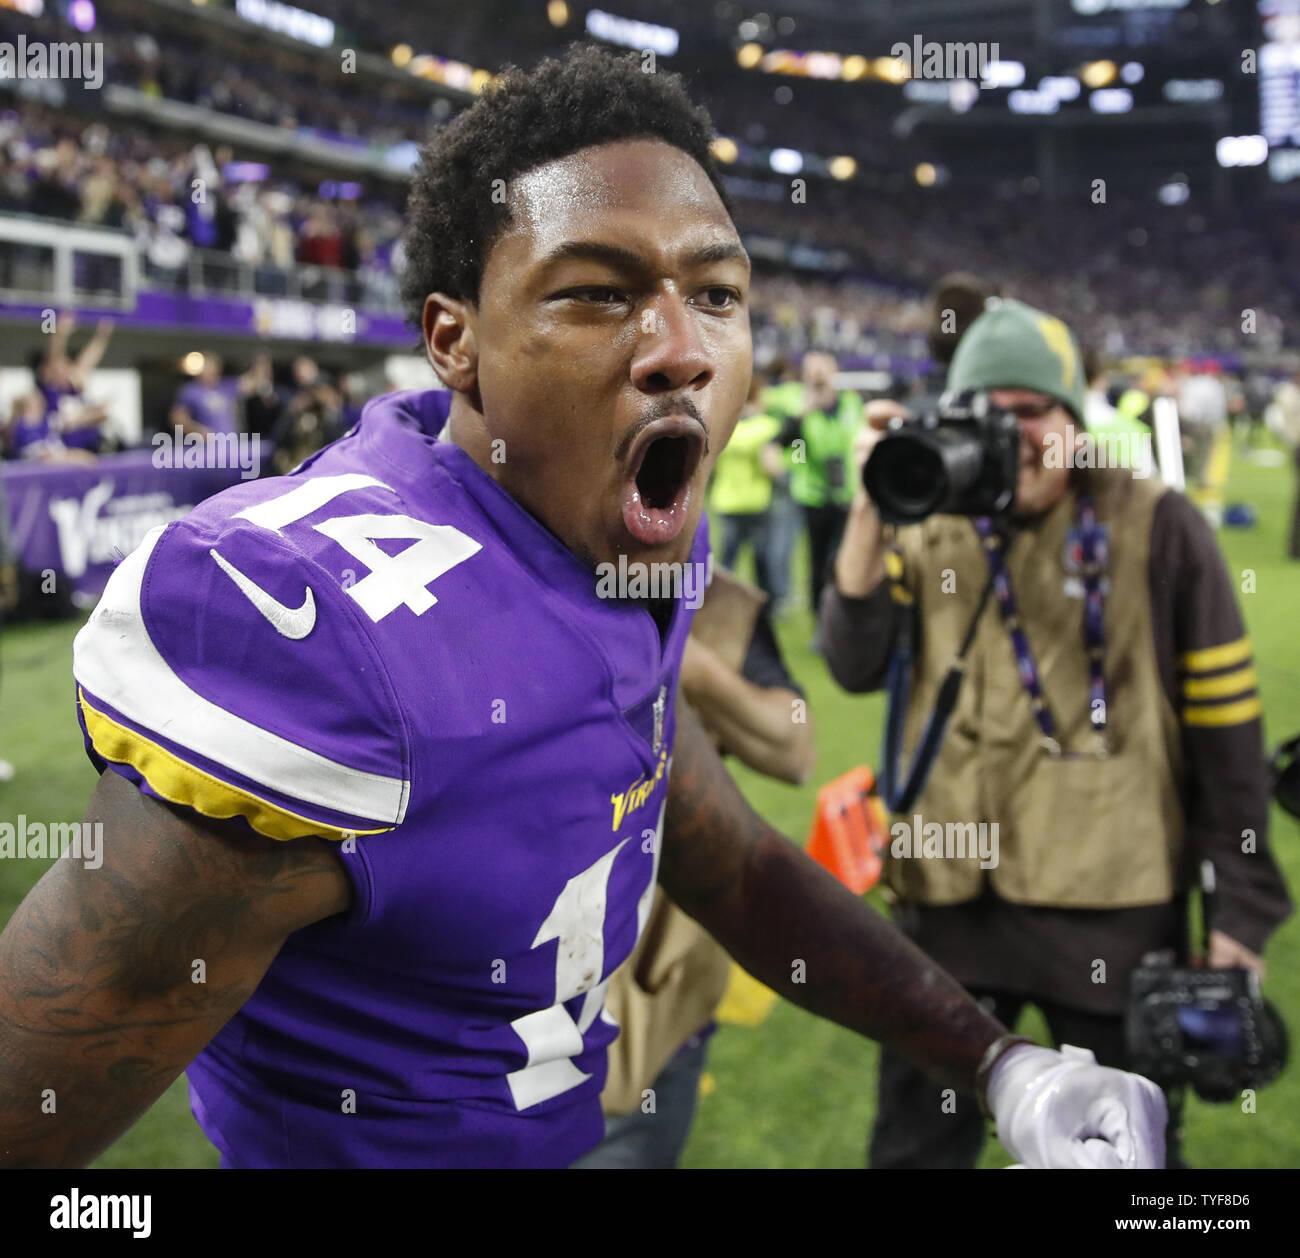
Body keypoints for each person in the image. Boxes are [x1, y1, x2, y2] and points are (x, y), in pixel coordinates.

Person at [0, 48, 1164, 1171]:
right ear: (454, 340)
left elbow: (730, 862)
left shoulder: (610, 531)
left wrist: (1007, 1066)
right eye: (599, 294)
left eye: (716, 293)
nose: (680, 348)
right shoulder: (329, 641)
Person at [821, 298, 1293, 1170]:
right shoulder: (927, 513)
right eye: (983, 414)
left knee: (1123, 1157)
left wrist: (1240, 907)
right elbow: (848, 664)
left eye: (1031, 412)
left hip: (1109, 911)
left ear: (1076, 418)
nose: (1009, 436)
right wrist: (870, 504)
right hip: (947, 902)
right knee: (914, 1150)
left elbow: (1228, 730)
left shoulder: (1156, 522)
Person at [574, 566, 815, 1168]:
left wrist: (682, 654)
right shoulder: (489, 580)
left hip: (651, 1005)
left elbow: (796, 749)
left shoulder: (716, 599)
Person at [772, 351, 862, 641]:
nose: (819, 375)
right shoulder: (797, 405)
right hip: (814, 499)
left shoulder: (851, 402)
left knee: (847, 562)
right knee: (818, 564)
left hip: (847, 497)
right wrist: (803, 413)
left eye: (824, 368)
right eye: (813, 369)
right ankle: (821, 627)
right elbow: (786, 445)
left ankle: (845, 625)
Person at [708, 375, 780, 595]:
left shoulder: (725, 426)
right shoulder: (767, 426)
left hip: (727, 501)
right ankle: (767, 608)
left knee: (727, 562)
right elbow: (773, 467)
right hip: (756, 502)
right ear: (757, 396)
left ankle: (717, 604)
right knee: (762, 561)